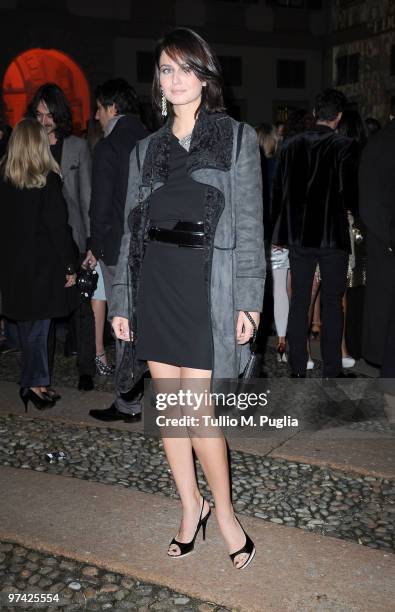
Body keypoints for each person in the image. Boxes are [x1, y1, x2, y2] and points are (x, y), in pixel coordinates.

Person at [109, 28, 265, 568]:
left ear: (205, 74)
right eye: (166, 70)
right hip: (155, 282)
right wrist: (123, 302)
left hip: (207, 286)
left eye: (185, 68)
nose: (174, 80)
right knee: (170, 412)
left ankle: (224, 513)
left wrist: (249, 300)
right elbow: (130, 233)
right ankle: (189, 505)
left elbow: (250, 226)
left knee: (199, 414)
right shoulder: (144, 150)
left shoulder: (237, 139)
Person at [271, 88, 359, 378]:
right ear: (339, 117)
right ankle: (332, 366)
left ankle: (298, 364)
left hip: (299, 234)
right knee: (334, 302)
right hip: (332, 235)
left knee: (299, 300)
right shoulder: (345, 146)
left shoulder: (290, 145)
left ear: (315, 114)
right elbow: (350, 193)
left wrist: (277, 231)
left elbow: (279, 192)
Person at [0, 118, 79, 410]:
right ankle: (33, 385)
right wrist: (69, 266)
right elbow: (58, 228)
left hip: (13, 268)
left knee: (27, 329)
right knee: (37, 331)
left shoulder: (4, 179)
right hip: (42, 268)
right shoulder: (46, 179)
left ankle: (37, 382)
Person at [27, 83, 96, 392]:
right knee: (46, 308)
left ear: (60, 115)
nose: (44, 121)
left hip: (75, 236)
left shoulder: (78, 147)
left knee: (82, 306)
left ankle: (86, 369)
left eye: (49, 115)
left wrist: (91, 242)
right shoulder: (30, 147)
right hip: (43, 241)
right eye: (39, 115)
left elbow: (87, 198)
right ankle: (44, 374)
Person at [88, 78, 148, 422]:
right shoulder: (152, 139)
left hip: (118, 250)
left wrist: (95, 247)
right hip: (153, 246)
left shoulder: (109, 147)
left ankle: (128, 401)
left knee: (123, 324)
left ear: (112, 107)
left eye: (98, 108)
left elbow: (101, 206)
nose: (96, 116)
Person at [359, 108, 395, 390]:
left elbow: (367, 202)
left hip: (381, 241)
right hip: (386, 241)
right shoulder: (382, 145)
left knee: (384, 311)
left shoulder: (376, 143)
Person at [337, 108, 368, 364]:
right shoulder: (365, 154)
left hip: (346, 227)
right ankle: (356, 345)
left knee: (343, 291)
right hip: (363, 227)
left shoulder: (341, 154)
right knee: (358, 289)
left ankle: (346, 346)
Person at [256, 123, 289, 363]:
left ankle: (253, 339)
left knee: (255, 289)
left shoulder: (249, 168)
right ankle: (282, 343)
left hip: (256, 237)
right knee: (280, 290)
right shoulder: (281, 168)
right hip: (278, 236)